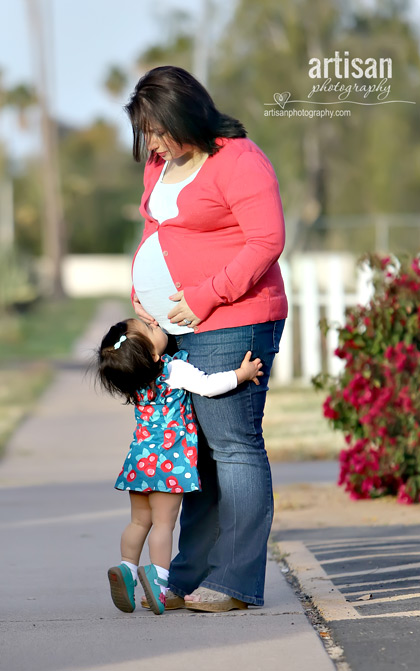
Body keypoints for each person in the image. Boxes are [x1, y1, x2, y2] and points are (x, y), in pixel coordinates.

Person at [125, 65, 288, 612]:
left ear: (187, 114)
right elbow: (156, 228)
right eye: (146, 132)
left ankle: (237, 583)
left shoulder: (238, 160)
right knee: (199, 457)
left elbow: (266, 240)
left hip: (235, 317)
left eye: (159, 129)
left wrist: (204, 295)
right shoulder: (158, 164)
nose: (154, 143)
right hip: (178, 327)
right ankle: (185, 580)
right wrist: (139, 286)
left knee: (234, 447)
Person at [96, 317, 263, 615]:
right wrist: (242, 373)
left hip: (139, 463)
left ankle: (127, 567)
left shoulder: (133, 381)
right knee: (163, 524)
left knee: (138, 522)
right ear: (153, 356)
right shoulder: (174, 370)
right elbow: (209, 386)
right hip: (168, 465)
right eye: (149, 329)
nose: (155, 324)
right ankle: (158, 582)